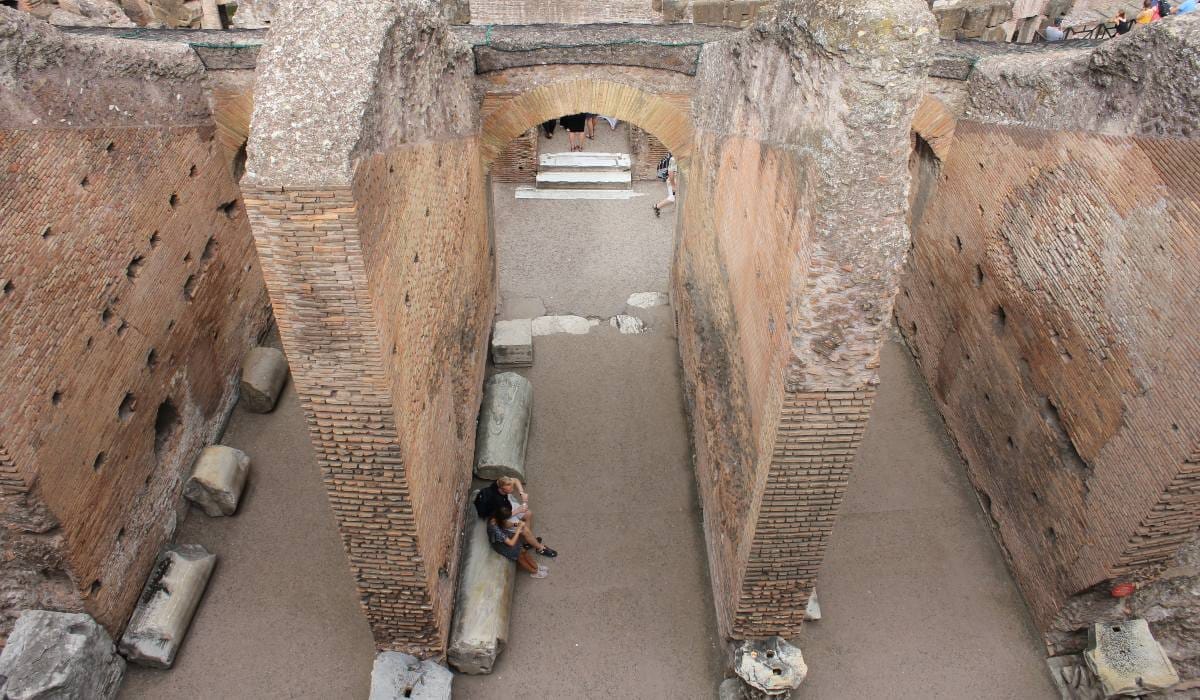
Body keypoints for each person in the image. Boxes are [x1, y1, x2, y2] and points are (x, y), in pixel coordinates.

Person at [475, 476, 558, 557]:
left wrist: (522, 493)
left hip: (506, 506)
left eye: (512, 487)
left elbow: (515, 480)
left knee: (528, 513)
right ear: (503, 489)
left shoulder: (499, 483)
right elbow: (503, 517)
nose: (513, 489)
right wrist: (518, 510)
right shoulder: (497, 502)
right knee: (524, 529)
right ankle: (540, 548)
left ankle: (528, 541)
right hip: (502, 516)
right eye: (510, 489)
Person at [488, 504, 548, 578]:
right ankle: (534, 572)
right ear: (501, 519)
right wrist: (518, 529)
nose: (508, 519)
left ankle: (536, 566)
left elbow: (506, 525)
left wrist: (516, 524)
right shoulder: (494, 527)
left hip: (506, 536)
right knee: (520, 556)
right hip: (500, 544)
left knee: (523, 550)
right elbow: (511, 543)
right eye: (506, 519)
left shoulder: (498, 517)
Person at [653, 153, 677, 218]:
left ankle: (657, 206)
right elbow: (670, 173)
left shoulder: (675, 157)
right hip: (672, 181)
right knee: (672, 198)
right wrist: (673, 185)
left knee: (674, 197)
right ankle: (657, 206)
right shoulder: (674, 159)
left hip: (673, 181)